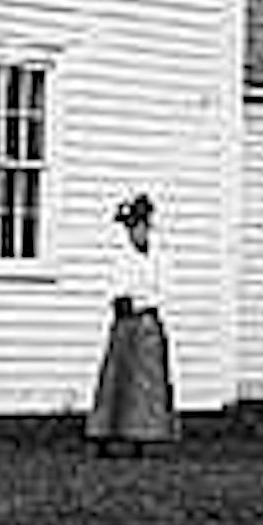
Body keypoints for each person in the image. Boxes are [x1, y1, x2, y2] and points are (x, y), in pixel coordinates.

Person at [85, 192, 180, 458]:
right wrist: (125, 302)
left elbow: (161, 289)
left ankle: (142, 436)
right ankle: (104, 435)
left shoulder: (157, 259)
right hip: (127, 324)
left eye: (142, 227)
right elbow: (117, 292)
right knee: (118, 378)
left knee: (146, 383)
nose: (138, 232)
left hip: (148, 321)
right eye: (133, 227)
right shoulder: (122, 258)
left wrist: (147, 305)